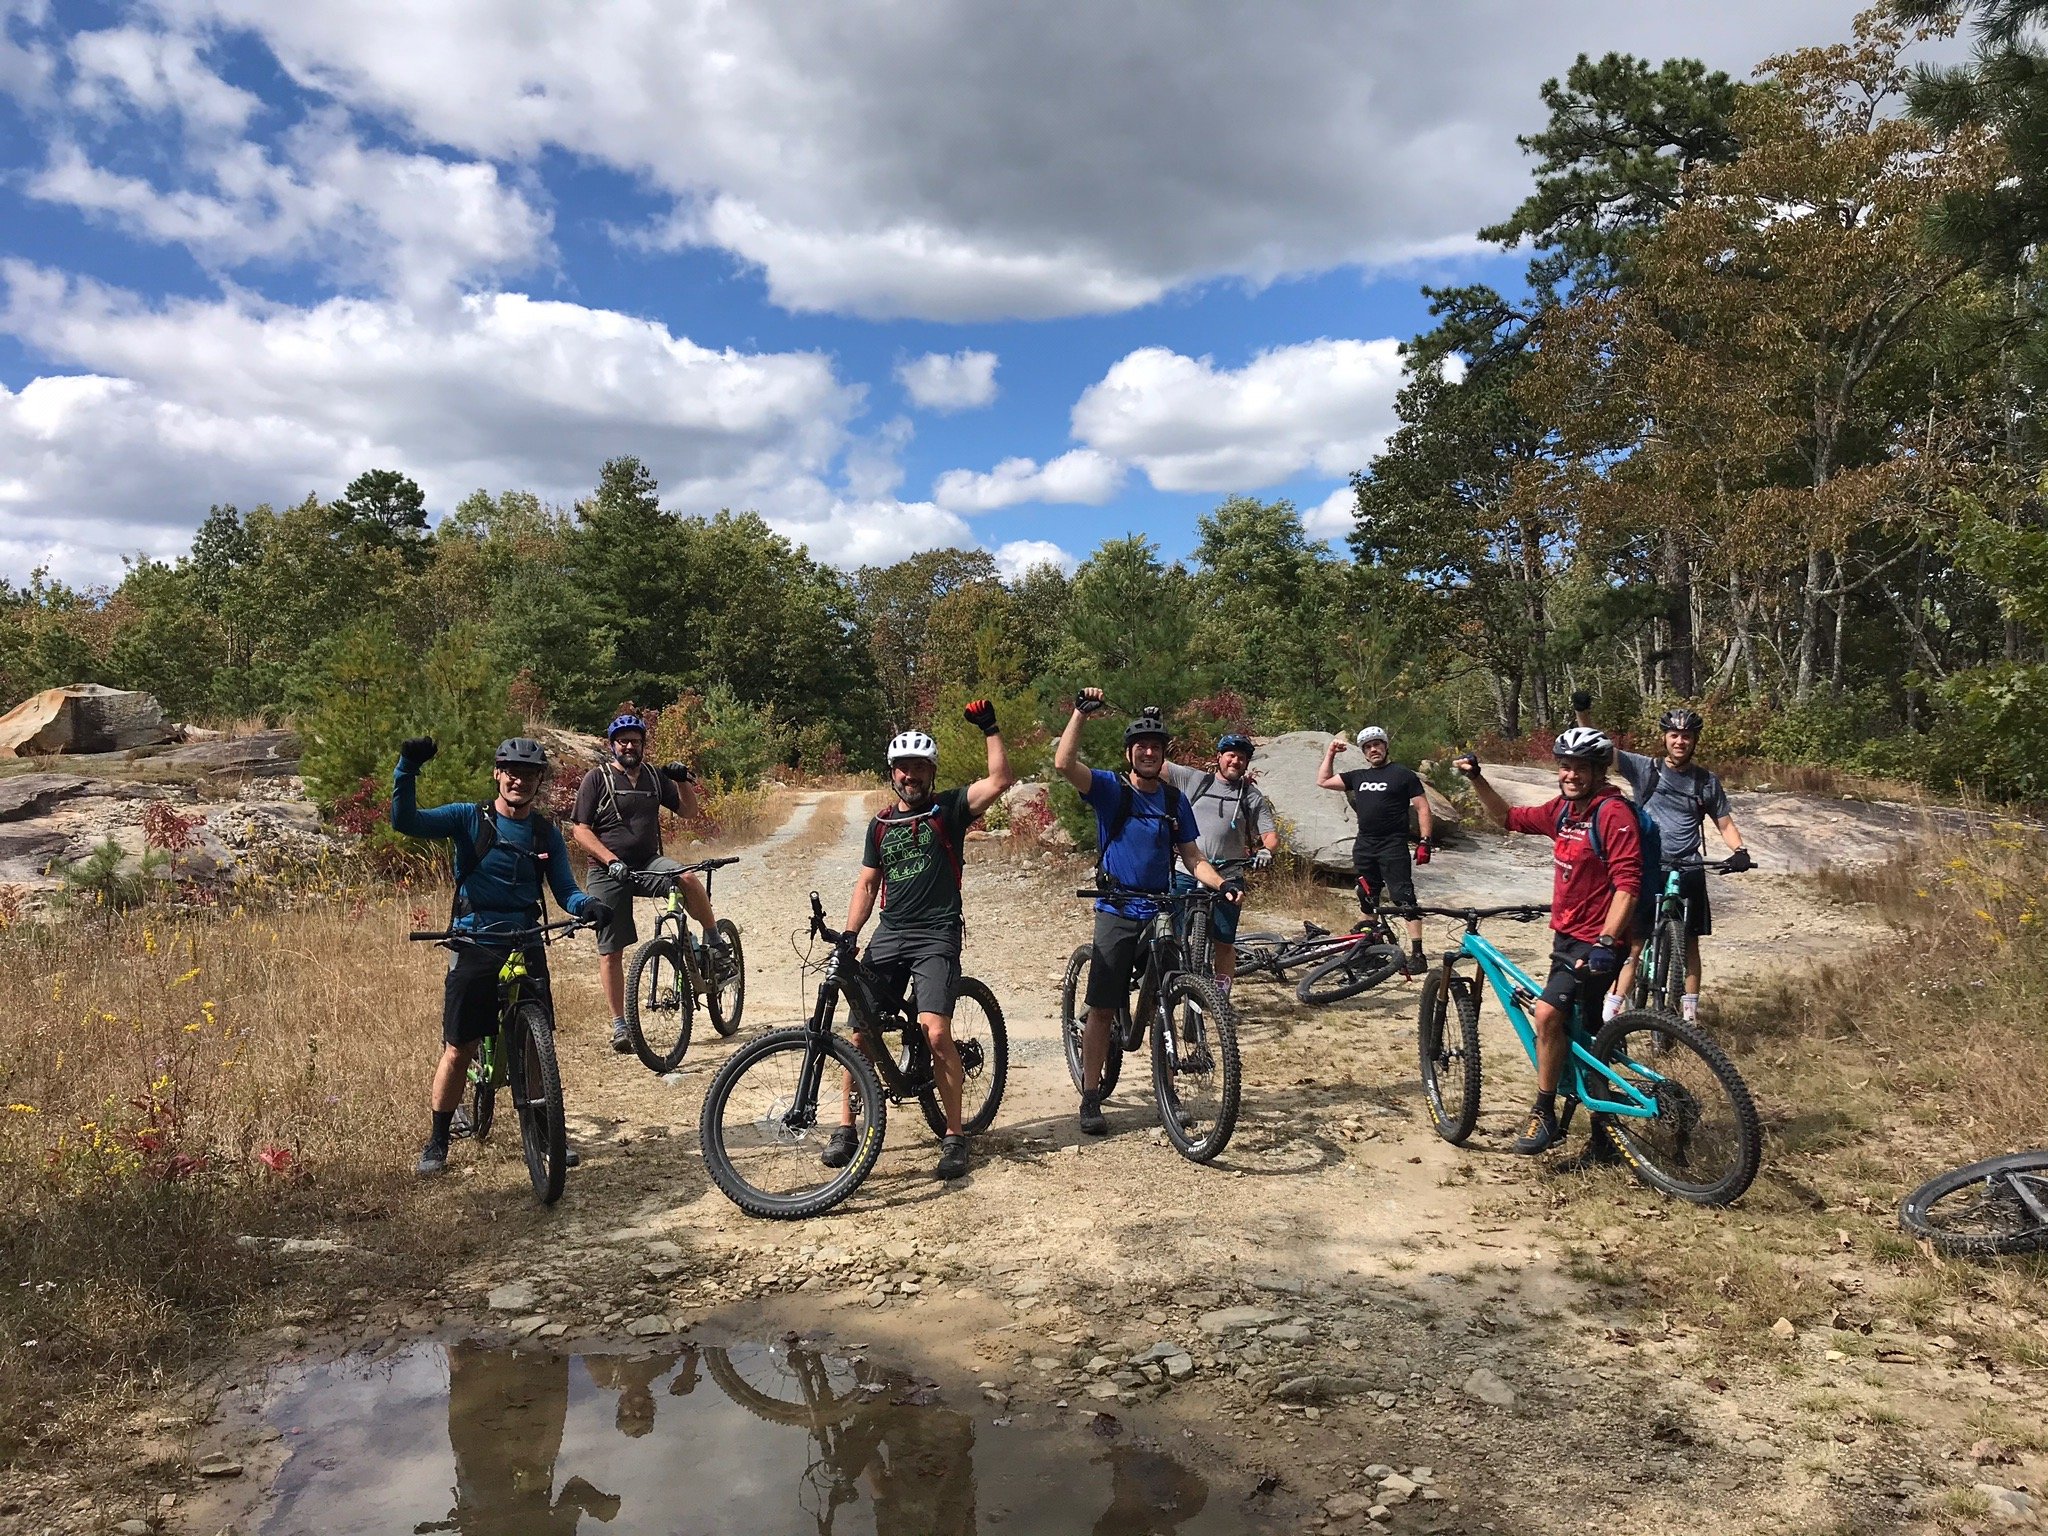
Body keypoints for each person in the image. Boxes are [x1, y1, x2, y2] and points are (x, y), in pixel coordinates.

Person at [392, 735, 605, 1177]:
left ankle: (547, 1134)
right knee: (460, 1048)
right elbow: (406, 820)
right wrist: (407, 767)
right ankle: (438, 1139)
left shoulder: (546, 833)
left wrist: (587, 907)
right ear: (497, 773)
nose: (519, 780)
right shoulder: (468, 818)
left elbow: (565, 889)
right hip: (475, 938)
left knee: (536, 1040)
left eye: (528, 774)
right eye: (511, 771)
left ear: (538, 781)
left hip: (526, 936)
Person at [820, 701, 1013, 1181]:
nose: (912, 775)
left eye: (920, 767)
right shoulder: (880, 825)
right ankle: (846, 1125)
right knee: (861, 1030)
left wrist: (989, 728)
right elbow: (867, 884)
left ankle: (953, 1135)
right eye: (904, 768)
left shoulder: (948, 809)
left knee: (936, 1031)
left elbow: (999, 781)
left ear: (931, 772)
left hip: (937, 934)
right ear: (893, 774)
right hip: (890, 934)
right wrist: (849, 935)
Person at [1055, 689, 1241, 1137]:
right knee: (1101, 1008)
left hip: (1161, 906)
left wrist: (1223, 884)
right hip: (1118, 906)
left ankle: (1167, 1084)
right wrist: (1080, 713)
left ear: (1163, 755)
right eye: (1142, 746)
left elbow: (1194, 857)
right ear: (1130, 754)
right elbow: (1063, 765)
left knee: (1166, 993)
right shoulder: (1109, 789)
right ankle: (1091, 1095)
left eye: (1156, 747)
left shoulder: (1175, 802)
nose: (1149, 751)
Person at [1453, 727, 1640, 1155]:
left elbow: (1627, 884)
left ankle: (1544, 1113)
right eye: (1565, 766)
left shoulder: (1613, 815)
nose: (1570, 774)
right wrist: (1477, 779)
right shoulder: (1564, 812)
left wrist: (1606, 941)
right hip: (1568, 937)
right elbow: (1509, 819)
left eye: (1580, 768)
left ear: (1598, 771)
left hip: (1596, 943)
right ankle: (1606, 1134)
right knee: (1593, 1034)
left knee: (1547, 1015)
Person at [1572, 694, 1752, 1023]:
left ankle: (1689, 1013)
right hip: (1648, 865)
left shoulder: (1706, 781)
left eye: (1686, 736)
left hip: (1689, 867)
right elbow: (1603, 750)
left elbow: (1723, 822)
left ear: (1694, 740)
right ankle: (1611, 1012)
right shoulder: (1646, 769)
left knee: (1690, 942)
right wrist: (1583, 713)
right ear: (1665, 738)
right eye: (1674, 735)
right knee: (1636, 943)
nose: (1679, 741)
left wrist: (1739, 851)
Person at [569, 712, 722, 1054]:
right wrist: (611, 861)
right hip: (607, 869)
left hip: (648, 863)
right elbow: (580, 829)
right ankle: (620, 1025)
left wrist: (683, 780)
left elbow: (688, 813)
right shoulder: (597, 779)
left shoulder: (654, 777)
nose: (629, 746)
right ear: (613, 745)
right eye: (622, 741)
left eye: (635, 741)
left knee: (686, 877)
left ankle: (714, 942)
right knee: (610, 950)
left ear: (642, 745)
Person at [1317, 726, 1437, 976]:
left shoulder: (1403, 775)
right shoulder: (1359, 776)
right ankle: (1371, 949)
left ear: (1385, 746)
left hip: (1393, 845)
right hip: (1365, 844)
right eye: (1368, 747)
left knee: (1404, 897)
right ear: (1363, 752)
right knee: (1366, 896)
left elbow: (1422, 808)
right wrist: (1330, 753)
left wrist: (1425, 841)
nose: (1373, 749)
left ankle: (1417, 954)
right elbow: (1324, 781)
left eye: (1377, 744)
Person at [1163, 733, 1278, 992]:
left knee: (1225, 941)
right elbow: (1155, 763)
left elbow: (1270, 835)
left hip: (1229, 874)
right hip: (1186, 870)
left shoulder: (1251, 797)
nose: (1235, 761)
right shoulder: (1195, 780)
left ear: (1247, 763)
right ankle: (1175, 986)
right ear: (1219, 758)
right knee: (1176, 935)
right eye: (1231, 755)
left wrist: (1266, 851)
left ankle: (1220, 994)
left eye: (1241, 757)